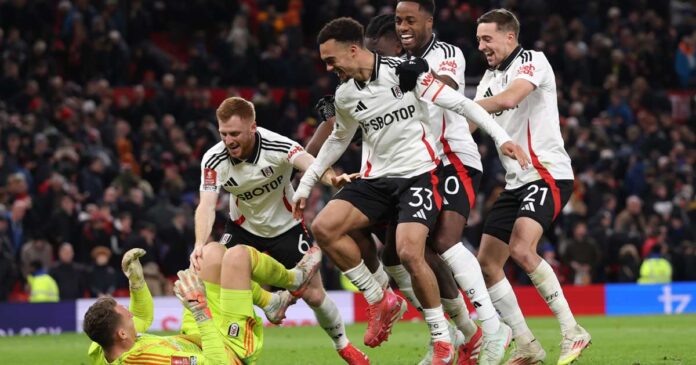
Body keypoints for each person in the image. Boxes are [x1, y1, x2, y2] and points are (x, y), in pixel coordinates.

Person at [293, 17, 527, 365]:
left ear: (354, 49)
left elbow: (459, 102)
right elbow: (338, 139)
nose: (328, 68)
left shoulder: (404, 73)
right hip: (376, 180)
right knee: (326, 226)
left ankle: (450, 337)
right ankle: (380, 298)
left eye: (331, 59)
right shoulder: (344, 94)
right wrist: (308, 182)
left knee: (410, 252)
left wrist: (501, 137)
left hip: (419, 175)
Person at [188, 96, 369, 364]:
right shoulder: (214, 160)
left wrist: (333, 178)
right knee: (213, 265)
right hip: (243, 228)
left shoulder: (278, 145)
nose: (228, 140)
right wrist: (199, 243)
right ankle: (260, 312)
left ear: (252, 128)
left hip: (287, 228)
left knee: (314, 295)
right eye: (224, 133)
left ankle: (343, 346)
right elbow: (206, 205)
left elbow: (311, 163)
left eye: (235, 133)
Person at [393, 2, 513, 364]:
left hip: (453, 157)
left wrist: (419, 75)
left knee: (444, 241)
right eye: (398, 20)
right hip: (418, 165)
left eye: (410, 19)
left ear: (429, 21)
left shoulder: (447, 53)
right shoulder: (396, 64)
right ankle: (456, 331)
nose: (403, 26)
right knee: (416, 250)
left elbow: (447, 87)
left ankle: (493, 329)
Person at [473, 9, 591, 365]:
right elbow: (470, 124)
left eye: (487, 38)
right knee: (488, 261)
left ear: (509, 37)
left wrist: (463, 106)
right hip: (515, 181)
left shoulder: (533, 61)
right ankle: (527, 344)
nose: (481, 46)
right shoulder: (486, 80)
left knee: (523, 249)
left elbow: (510, 99)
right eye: (478, 39)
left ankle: (573, 331)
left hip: (547, 173)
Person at [84, 245, 321, 365]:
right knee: (238, 256)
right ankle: (294, 280)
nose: (129, 311)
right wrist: (199, 310)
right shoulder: (151, 360)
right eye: (124, 312)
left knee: (211, 253)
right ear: (121, 333)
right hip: (229, 351)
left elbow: (141, 317)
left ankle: (272, 303)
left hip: (199, 336)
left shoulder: (103, 350)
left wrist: (136, 282)